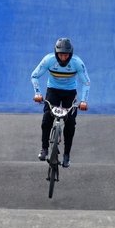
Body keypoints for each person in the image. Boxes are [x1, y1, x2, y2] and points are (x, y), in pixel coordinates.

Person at [31, 38, 90, 168]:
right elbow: (34, 75)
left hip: (70, 93)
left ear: (71, 54)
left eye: (66, 55)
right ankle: (44, 148)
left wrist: (84, 101)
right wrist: (38, 93)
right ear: (56, 53)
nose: (63, 57)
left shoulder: (77, 63)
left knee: (70, 123)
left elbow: (86, 82)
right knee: (47, 117)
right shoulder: (48, 60)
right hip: (53, 91)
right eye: (60, 54)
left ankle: (66, 155)